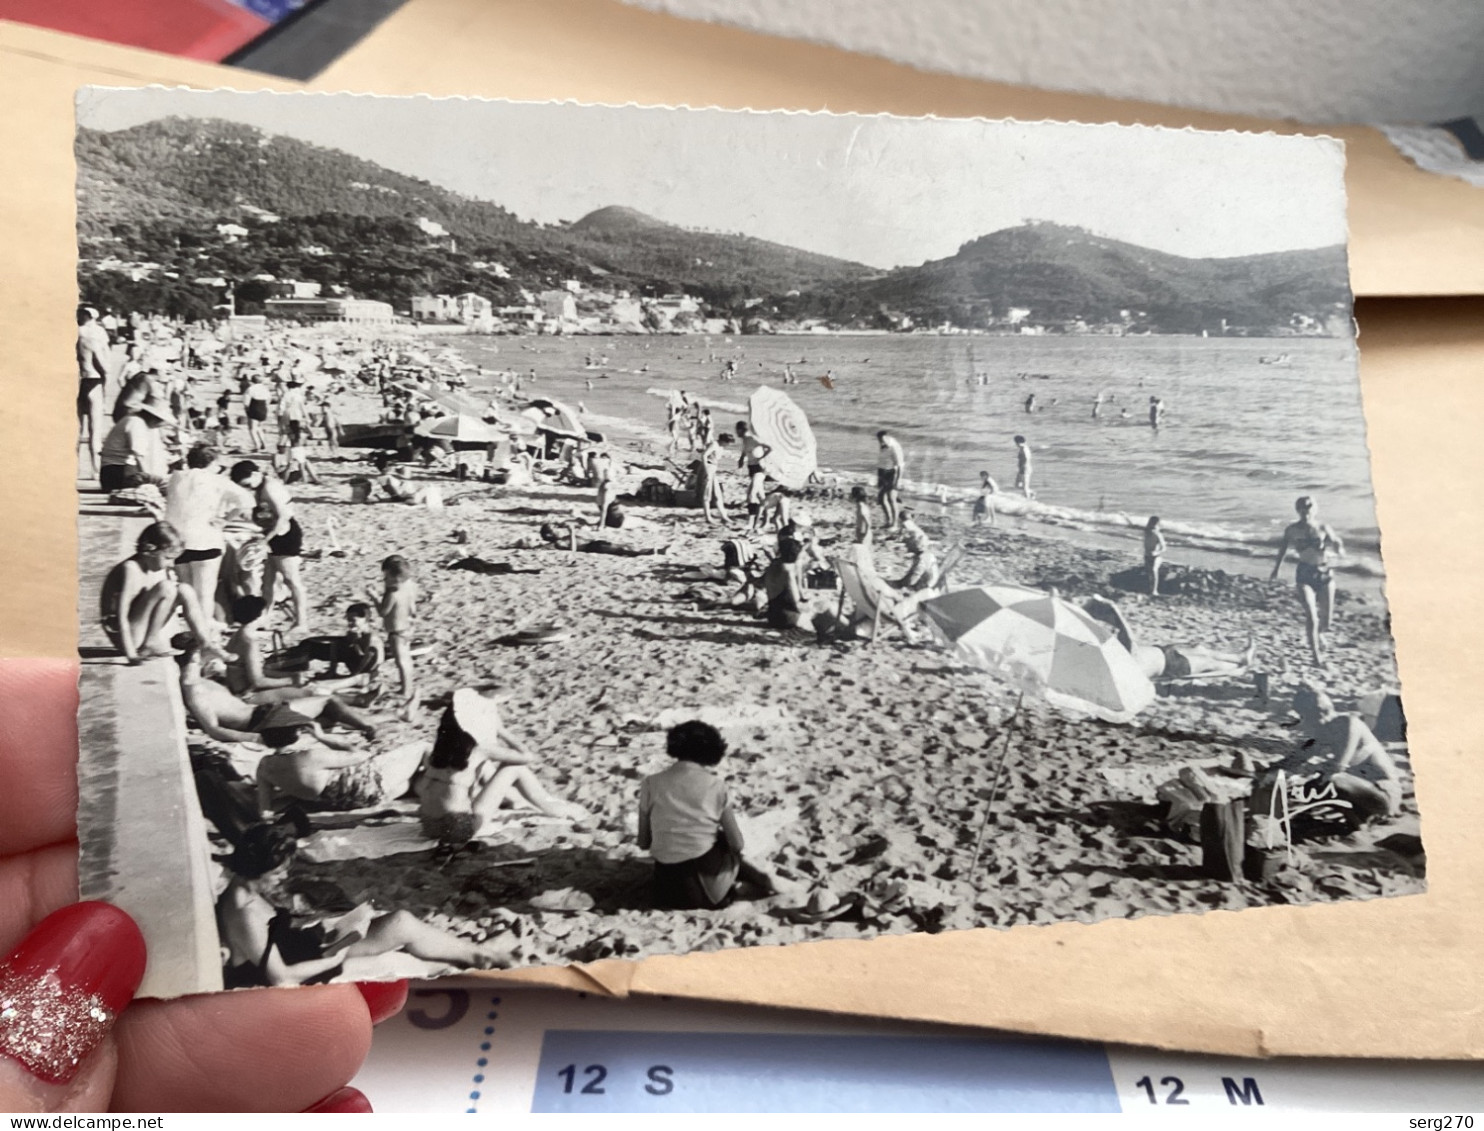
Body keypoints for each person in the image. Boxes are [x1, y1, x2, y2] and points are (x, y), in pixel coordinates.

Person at [216, 821, 512, 991]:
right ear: (257, 866)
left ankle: (480, 955)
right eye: (278, 872)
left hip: (308, 946)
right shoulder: (245, 913)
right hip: (309, 963)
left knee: (400, 922)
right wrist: (334, 959)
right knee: (401, 927)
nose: (283, 878)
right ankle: (482, 956)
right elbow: (281, 977)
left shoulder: (241, 888)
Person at [416, 688, 589, 844]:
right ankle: (551, 807)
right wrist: (502, 730)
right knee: (514, 768)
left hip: (428, 827)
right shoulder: (480, 749)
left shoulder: (440, 749)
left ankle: (525, 801)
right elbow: (527, 757)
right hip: (458, 831)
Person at [637, 720, 774, 910]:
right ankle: (759, 881)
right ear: (711, 750)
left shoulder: (650, 783)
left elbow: (643, 842)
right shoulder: (716, 786)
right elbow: (737, 844)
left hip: (665, 892)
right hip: (708, 895)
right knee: (724, 841)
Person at [175, 636, 376, 744]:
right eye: (209, 649)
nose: (216, 649)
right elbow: (213, 729)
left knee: (323, 713)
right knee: (326, 702)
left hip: (263, 713)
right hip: (260, 720)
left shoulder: (198, 681)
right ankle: (368, 727)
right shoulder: (195, 690)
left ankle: (362, 713)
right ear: (195, 656)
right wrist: (255, 739)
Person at [99, 522, 217, 663]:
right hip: (127, 637)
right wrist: (131, 654)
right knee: (166, 587)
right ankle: (151, 641)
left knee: (185, 589)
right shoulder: (130, 569)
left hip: (138, 629)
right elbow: (121, 617)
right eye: (167, 558)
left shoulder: (152, 564)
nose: (171, 564)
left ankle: (206, 643)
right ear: (150, 550)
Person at [1284, 684, 1403, 824]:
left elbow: (1338, 767)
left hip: (1384, 795)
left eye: (1303, 716)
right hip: (1364, 793)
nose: (1303, 722)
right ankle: (1357, 820)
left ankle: (1359, 820)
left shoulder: (1349, 724)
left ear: (1317, 713)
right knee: (1316, 786)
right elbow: (1296, 758)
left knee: (1331, 780)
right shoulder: (1325, 730)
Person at [1083, 595, 1255, 681]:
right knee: (1208, 663)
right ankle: (1239, 667)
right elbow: (1130, 639)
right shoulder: (1124, 664)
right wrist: (1115, 611)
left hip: (1164, 652)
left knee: (1200, 650)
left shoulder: (1114, 657)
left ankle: (1240, 657)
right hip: (1172, 666)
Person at [165, 444, 247, 621]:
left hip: (177, 541)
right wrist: (225, 519)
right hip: (205, 541)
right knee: (204, 596)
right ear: (210, 462)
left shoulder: (176, 477)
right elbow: (247, 501)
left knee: (188, 593)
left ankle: (193, 635)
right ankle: (203, 640)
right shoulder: (215, 479)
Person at [230, 460, 309, 633]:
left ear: (255, 474)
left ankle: (301, 622)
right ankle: (265, 618)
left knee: (292, 580)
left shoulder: (270, 488)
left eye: (247, 484)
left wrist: (265, 541)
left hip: (285, 535)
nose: (248, 489)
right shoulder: (259, 487)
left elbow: (282, 518)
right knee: (268, 582)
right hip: (273, 535)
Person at [1271, 495, 1346, 666]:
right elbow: (1282, 548)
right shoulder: (1291, 530)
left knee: (1327, 621)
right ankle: (1316, 656)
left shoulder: (1323, 527)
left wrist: (1339, 551)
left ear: (1315, 509)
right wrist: (1276, 569)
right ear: (1298, 510)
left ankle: (1320, 634)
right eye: (1302, 508)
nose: (1306, 511)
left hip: (1325, 574)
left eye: (1309, 508)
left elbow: (1336, 542)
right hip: (1304, 573)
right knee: (1312, 617)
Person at [373, 555, 419, 716]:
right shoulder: (410, 587)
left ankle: (406, 691)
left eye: (385, 577)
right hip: (407, 628)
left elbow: (382, 612)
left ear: (394, 578)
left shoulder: (392, 594)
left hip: (396, 632)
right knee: (406, 660)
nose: (383, 580)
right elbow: (413, 610)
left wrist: (373, 597)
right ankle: (408, 687)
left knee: (401, 662)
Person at [98, 398, 173, 492]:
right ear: (154, 418)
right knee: (164, 489)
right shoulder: (136, 423)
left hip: (112, 471)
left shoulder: (131, 419)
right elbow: (139, 456)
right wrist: (149, 482)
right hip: (119, 471)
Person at [76, 306, 112, 475]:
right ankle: (95, 470)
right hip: (92, 381)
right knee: (94, 430)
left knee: (75, 430)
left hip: (76, 381)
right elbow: (104, 368)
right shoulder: (93, 338)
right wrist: (105, 388)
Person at [538, 521, 667, 558]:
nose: (557, 527)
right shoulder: (559, 543)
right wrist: (572, 533)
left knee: (624, 545)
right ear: (549, 535)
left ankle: (654, 550)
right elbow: (573, 549)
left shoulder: (562, 538)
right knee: (622, 549)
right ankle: (652, 552)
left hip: (595, 544)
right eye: (553, 527)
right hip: (593, 548)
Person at [875, 429, 905, 532]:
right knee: (882, 499)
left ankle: (895, 524)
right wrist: (879, 477)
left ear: (887, 437)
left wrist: (897, 481)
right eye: (879, 440)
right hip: (882, 472)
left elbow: (900, 466)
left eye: (882, 439)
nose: (880, 442)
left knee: (892, 499)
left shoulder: (895, 447)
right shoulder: (882, 445)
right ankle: (888, 521)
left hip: (892, 473)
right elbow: (882, 461)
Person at [243, 376, 271, 452]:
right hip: (263, 407)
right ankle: (263, 442)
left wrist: (247, 411)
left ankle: (257, 445)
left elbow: (246, 402)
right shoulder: (265, 389)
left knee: (252, 429)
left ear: (252, 381)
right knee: (259, 427)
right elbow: (269, 399)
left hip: (254, 407)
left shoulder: (250, 389)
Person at [1143, 515, 1167, 596]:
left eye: (1153, 524)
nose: (1151, 525)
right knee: (1149, 572)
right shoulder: (1146, 531)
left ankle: (1154, 591)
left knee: (1153, 570)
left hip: (1156, 556)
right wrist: (1126, 518)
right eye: (1150, 523)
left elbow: (1163, 547)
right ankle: (1150, 589)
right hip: (1147, 554)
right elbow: (1133, 526)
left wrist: (1156, 552)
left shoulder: (1157, 534)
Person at [1013, 434, 1034, 499]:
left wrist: (1023, 469)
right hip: (1021, 469)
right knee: (1017, 485)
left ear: (1018, 442)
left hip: (1025, 469)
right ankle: (1031, 493)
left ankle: (1028, 500)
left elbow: (1026, 459)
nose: (1015, 444)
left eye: (1015, 442)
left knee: (1025, 487)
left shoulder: (1024, 449)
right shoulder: (1022, 448)